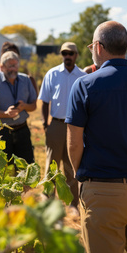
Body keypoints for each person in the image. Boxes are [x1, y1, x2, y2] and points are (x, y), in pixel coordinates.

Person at [66, 21, 127, 253]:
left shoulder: (85, 85)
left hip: (103, 190)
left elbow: (74, 143)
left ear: (98, 47)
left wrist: (83, 178)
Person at [38, 42, 86, 211]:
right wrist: (45, 124)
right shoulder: (52, 74)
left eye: (71, 53)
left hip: (75, 127)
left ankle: (73, 205)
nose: (67, 56)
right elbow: (44, 101)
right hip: (56, 125)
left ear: (76, 55)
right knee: (52, 165)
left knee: (71, 166)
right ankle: (49, 202)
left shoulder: (82, 76)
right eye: (64, 53)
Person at [0, 51, 37, 164]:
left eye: (15, 65)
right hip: (0, 132)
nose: (13, 69)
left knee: (25, 167)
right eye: (10, 66)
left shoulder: (25, 80)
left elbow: (33, 106)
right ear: (1, 67)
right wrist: (5, 114)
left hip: (22, 130)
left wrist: (23, 107)